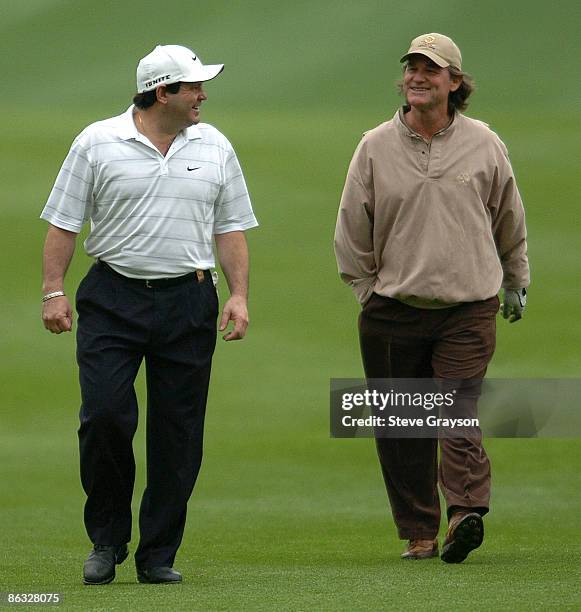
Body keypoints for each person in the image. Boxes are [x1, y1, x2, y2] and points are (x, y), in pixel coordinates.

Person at [40, 44, 258, 584]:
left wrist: (239, 294)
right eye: (194, 88)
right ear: (164, 92)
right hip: (113, 298)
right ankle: (107, 539)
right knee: (106, 417)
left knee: (178, 432)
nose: (203, 95)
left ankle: (158, 552)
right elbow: (65, 221)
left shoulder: (214, 145)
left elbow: (230, 225)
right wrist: (53, 291)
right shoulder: (97, 142)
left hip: (189, 299)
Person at [334, 33, 529, 563]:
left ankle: (465, 513)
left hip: (467, 307)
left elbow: (508, 216)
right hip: (393, 309)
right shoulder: (374, 144)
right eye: (412, 68)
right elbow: (352, 225)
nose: (419, 77)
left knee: (455, 410)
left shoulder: (484, 142)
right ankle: (420, 531)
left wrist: (515, 278)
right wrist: (365, 289)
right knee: (402, 426)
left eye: (432, 70)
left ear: (455, 82)